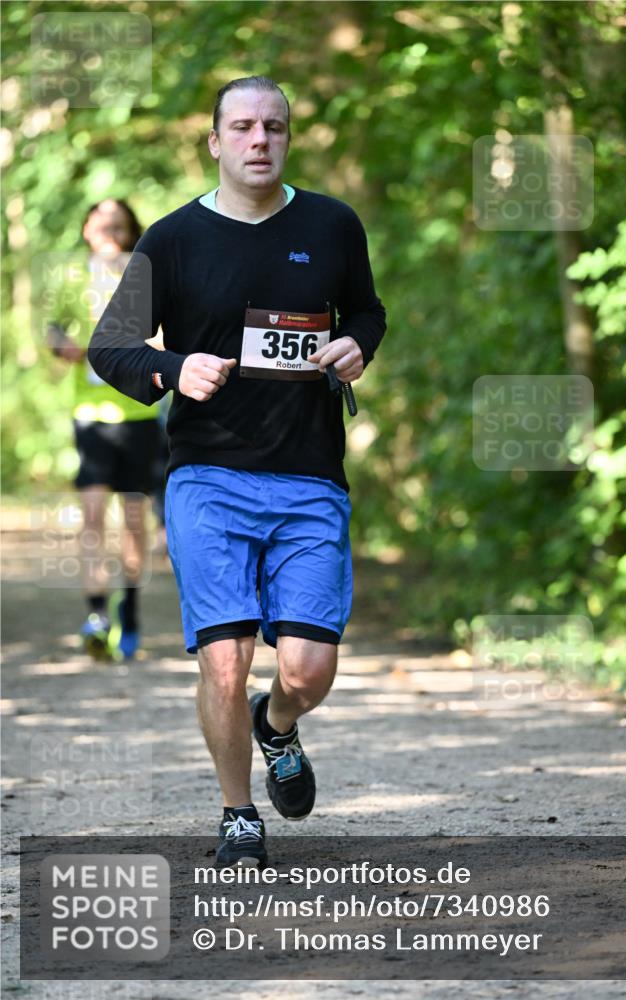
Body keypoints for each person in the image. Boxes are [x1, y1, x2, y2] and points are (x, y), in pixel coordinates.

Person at [89, 76, 386, 867]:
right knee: (224, 654)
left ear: (288, 139)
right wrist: (171, 367)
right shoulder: (172, 239)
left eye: (275, 128)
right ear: (216, 143)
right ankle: (236, 814)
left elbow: (366, 311)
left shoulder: (331, 225)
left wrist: (358, 346)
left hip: (310, 475)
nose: (261, 140)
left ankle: (278, 724)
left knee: (308, 668)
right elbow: (109, 347)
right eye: (245, 128)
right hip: (207, 477)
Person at [47, 199, 164, 661]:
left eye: (119, 223)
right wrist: (67, 347)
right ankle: (96, 613)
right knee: (93, 514)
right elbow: (53, 331)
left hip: (137, 415)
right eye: (101, 221)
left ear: (131, 231)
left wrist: (147, 348)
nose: (110, 229)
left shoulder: (143, 275)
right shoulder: (72, 277)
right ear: (86, 228)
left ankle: (129, 609)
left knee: (134, 520)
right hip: (91, 416)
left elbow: (168, 333)